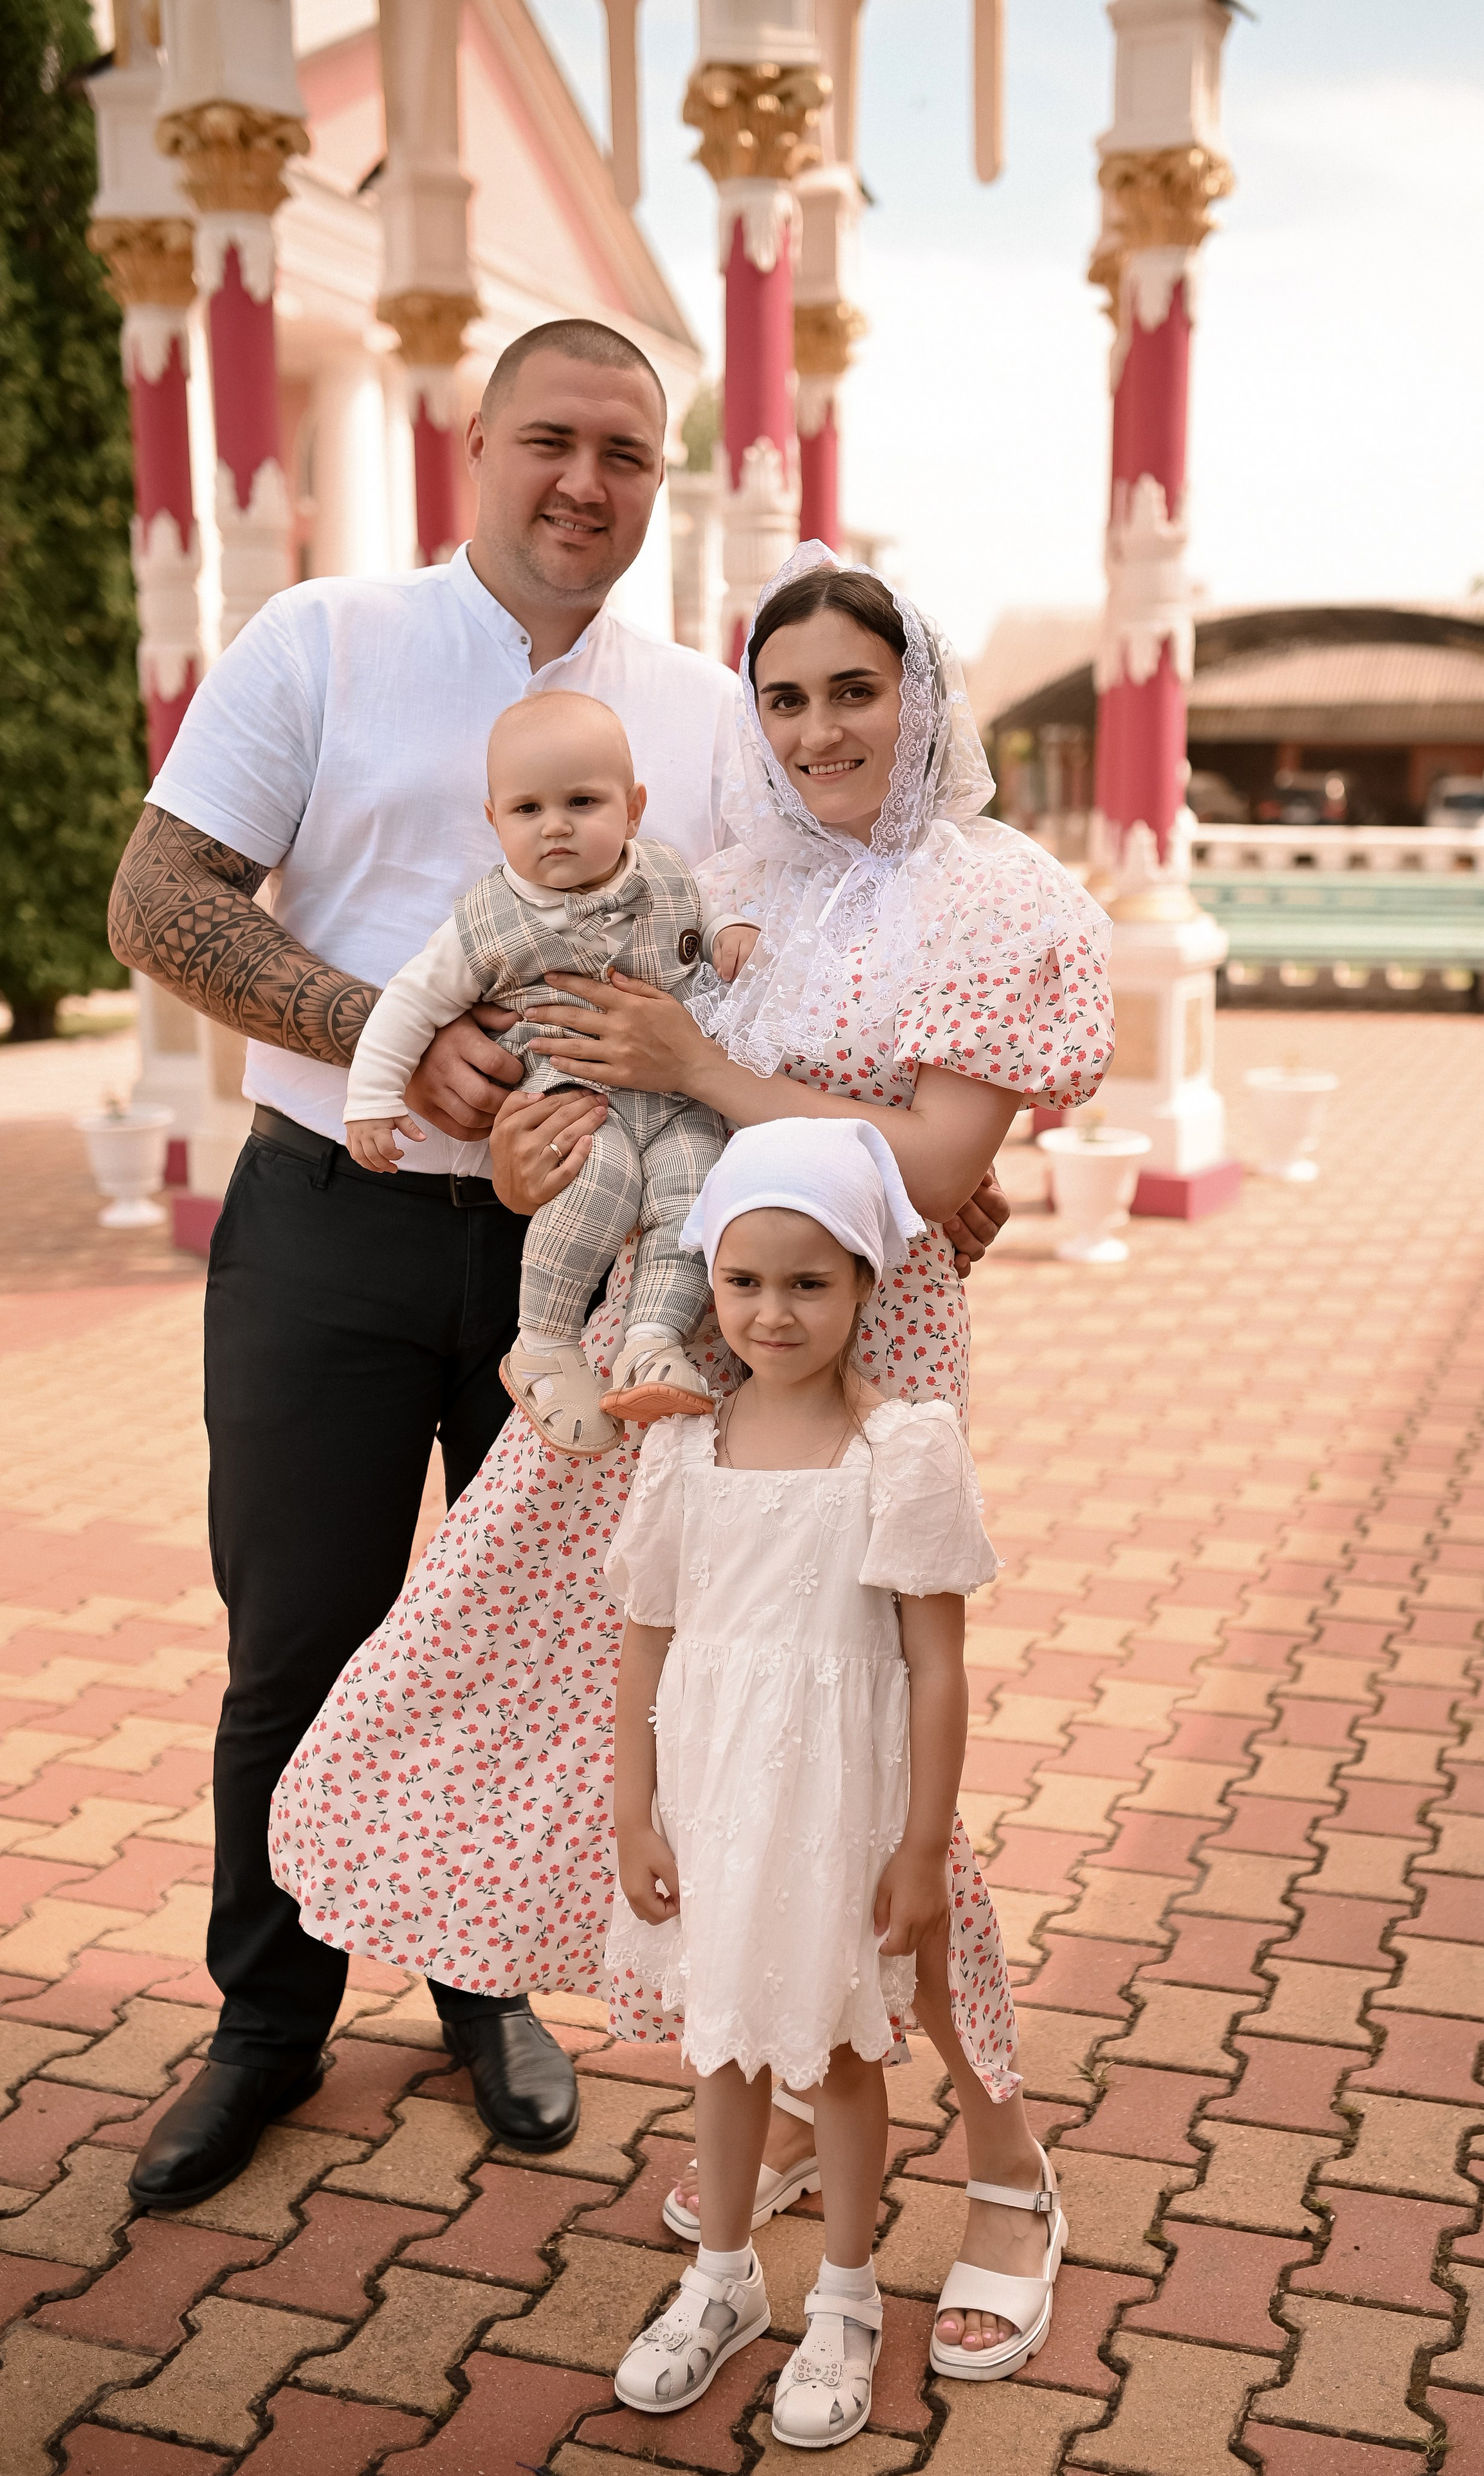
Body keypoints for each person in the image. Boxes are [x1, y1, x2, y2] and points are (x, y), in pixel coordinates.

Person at [105, 317, 1007, 2213]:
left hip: (591, 1251)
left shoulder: (702, 704)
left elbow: (815, 932)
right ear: (473, 439)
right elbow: (158, 898)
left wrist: (937, 1140)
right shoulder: (325, 637)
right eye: (551, 439)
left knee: (538, 1639)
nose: (584, 482)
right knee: (298, 1635)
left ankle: (481, 1991)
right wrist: (396, 1039)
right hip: (328, 1222)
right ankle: (264, 2023)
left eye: (624, 451)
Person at [270, 543, 1112, 2372]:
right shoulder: (714, 888)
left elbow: (940, 1173)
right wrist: (540, 1152)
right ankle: (794, 2109)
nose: (819, 729)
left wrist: (707, 1078)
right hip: (684, 1359)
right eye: (786, 695)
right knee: (703, 1738)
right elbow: (604, 1099)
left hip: (866, 1375)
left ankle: (1007, 2169)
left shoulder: (1003, 903)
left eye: (854, 689)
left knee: (879, 1767)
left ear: (923, 694)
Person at [606, 1118, 1065, 2447]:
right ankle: (724, 2280)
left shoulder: (899, 1449)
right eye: (744, 1281)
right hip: (712, 1796)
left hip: (837, 1810)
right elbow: (645, 1639)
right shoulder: (683, 1445)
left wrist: (918, 1848)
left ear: (866, 1283)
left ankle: (848, 2298)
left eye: (808, 1282)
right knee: (721, 2040)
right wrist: (633, 1804)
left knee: (844, 2047)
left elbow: (933, 1668)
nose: (771, 1310)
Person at [344, 690, 756, 1452]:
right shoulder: (486, 920)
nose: (556, 824)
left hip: (676, 1102)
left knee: (696, 1189)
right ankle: (544, 1340)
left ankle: (651, 1340)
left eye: (582, 801)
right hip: (571, 1099)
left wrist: (730, 929)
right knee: (600, 1186)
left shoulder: (668, 873)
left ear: (633, 808)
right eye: (527, 809)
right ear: (494, 819)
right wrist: (370, 1099)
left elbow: (710, 913)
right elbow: (410, 1001)